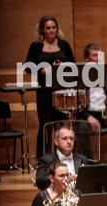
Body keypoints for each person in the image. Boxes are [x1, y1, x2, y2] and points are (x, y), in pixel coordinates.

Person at [25, 15, 75, 157]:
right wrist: (42, 70)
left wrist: (63, 69)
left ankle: (64, 158)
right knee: (46, 126)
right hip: (44, 92)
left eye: (54, 27)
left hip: (62, 91)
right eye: (48, 28)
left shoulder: (64, 45)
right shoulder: (35, 46)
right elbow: (28, 67)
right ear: (42, 30)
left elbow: (73, 64)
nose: (52, 30)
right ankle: (43, 160)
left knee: (62, 126)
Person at [34, 124, 89, 191]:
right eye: (64, 138)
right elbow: (40, 182)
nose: (69, 142)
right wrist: (60, 179)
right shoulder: (46, 160)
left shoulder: (83, 159)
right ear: (56, 142)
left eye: (71, 138)